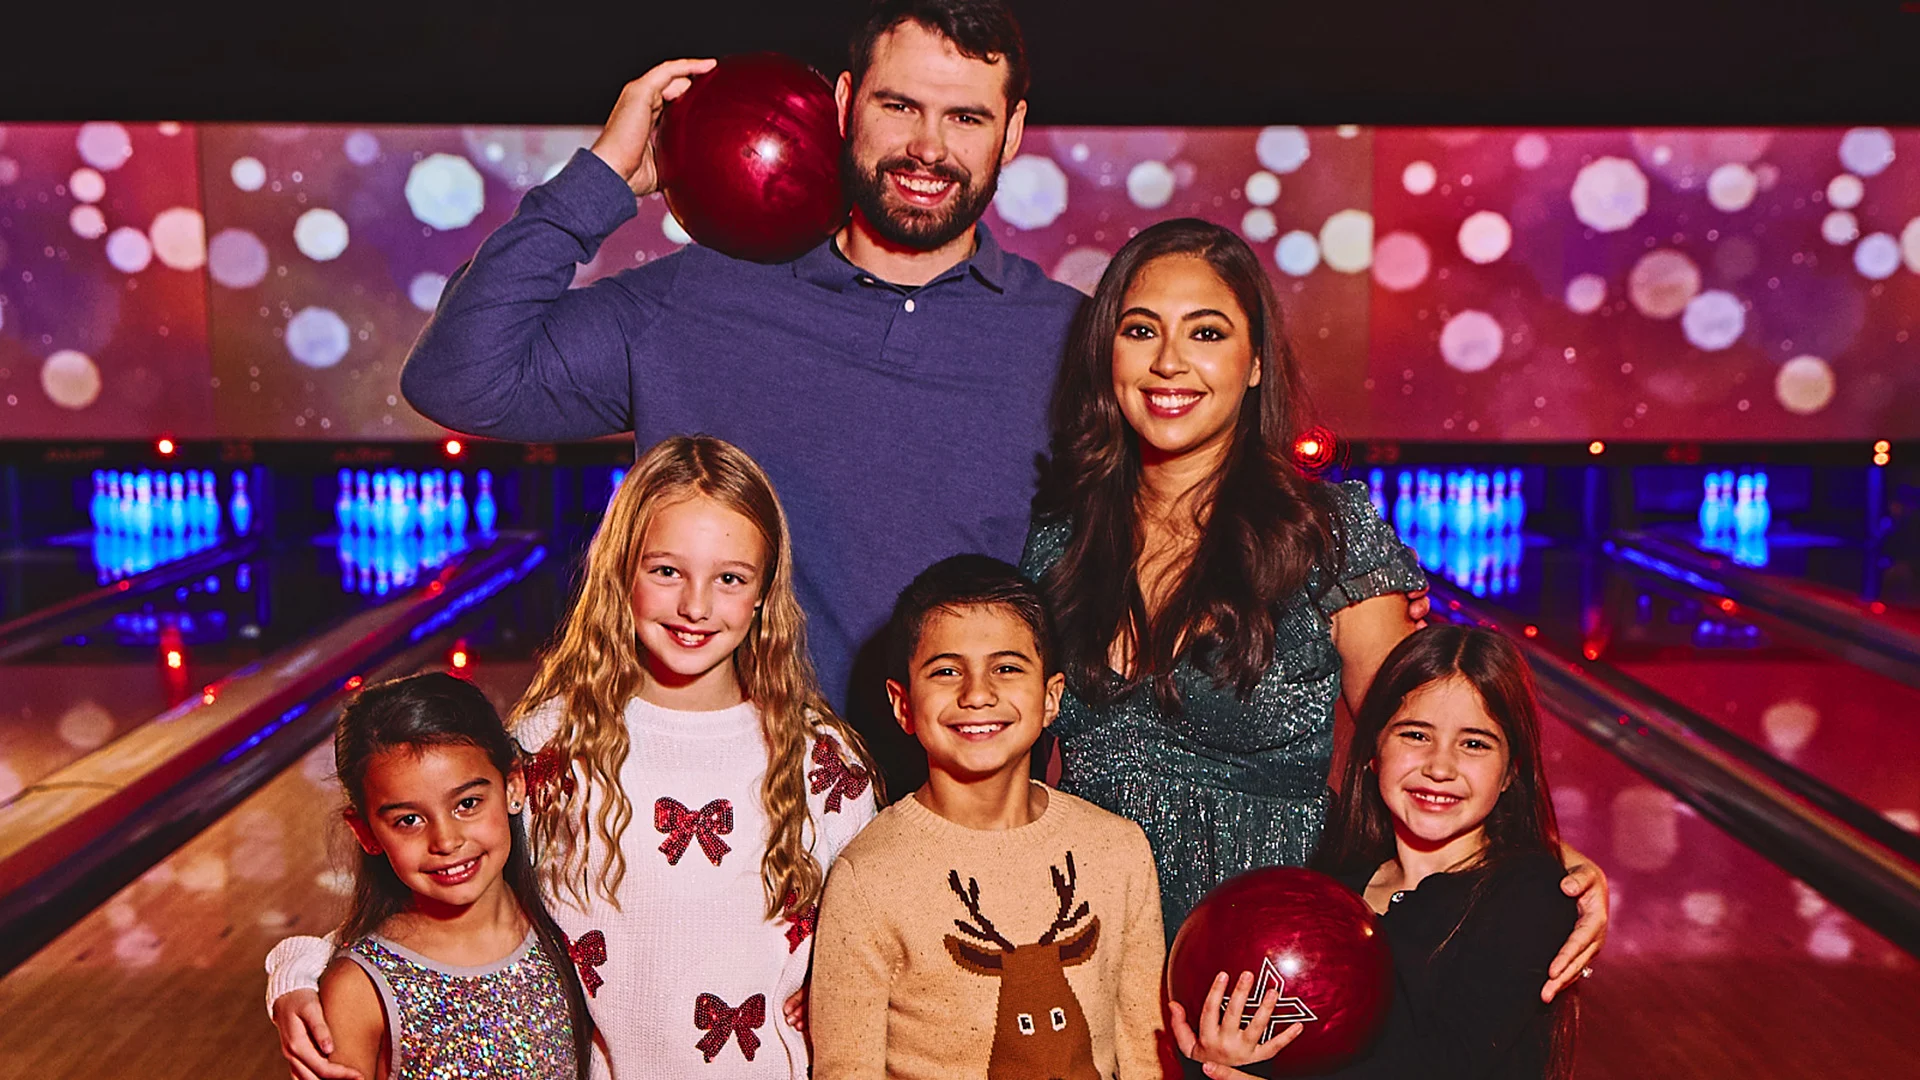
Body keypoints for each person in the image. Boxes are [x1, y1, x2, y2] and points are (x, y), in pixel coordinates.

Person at [393, 0, 1076, 790]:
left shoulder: (1068, 341)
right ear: (846, 104)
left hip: (953, 820)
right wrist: (600, 182)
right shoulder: (702, 294)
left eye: (965, 117)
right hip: (719, 813)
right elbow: (456, 378)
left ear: (1012, 130)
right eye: (899, 107)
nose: (929, 147)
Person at [1020, 219, 1605, 999]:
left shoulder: (1324, 537)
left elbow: (1422, 740)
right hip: (1091, 954)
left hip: (1276, 967)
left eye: (1207, 332)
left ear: (1255, 361)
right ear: (1107, 354)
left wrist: (1545, 856)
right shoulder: (1056, 541)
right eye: (1140, 330)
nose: (1169, 362)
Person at [269, 437, 880, 1080]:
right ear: (621, 573)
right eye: (666, 571)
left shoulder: (821, 763)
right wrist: (299, 971)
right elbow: (437, 895)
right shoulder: (547, 745)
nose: (696, 606)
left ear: (763, 593)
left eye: (730, 578)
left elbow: (884, 935)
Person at [810, 555, 1174, 1079]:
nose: (977, 693)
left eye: (1006, 668)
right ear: (903, 704)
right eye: (945, 671)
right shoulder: (868, 877)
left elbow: (1146, 1052)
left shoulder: (1119, 851)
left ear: (1051, 698)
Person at [1170, 625, 1579, 1080]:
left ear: (1509, 773)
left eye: (1474, 744)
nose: (1440, 767)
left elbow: (1450, 1062)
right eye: (1415, 736)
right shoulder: (1335, 885)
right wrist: (1219, 1059)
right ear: (1373, 752)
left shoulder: (1529, 896)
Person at [316, 672, 594, 1080]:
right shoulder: (358, 989)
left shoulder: (568, 926)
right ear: (366, 833)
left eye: (467, 804)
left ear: (514, 786)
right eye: (409, 820)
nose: (445, 841)